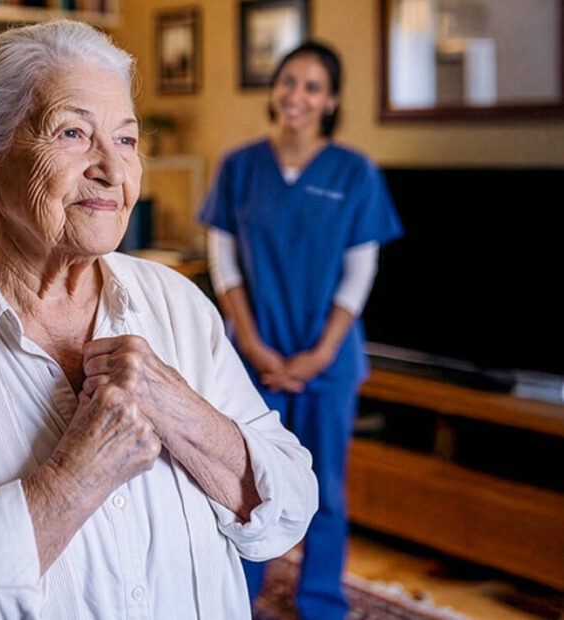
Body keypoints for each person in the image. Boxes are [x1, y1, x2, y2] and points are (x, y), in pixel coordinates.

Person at [0, 20, 318, 619]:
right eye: (73, 133)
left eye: (127, 140)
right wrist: (72, 480)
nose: (114, 170)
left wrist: (180, 408)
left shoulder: (178, 302)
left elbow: (286, 513)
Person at [198, 41, 403, 620]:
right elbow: (226, 265)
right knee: (244, 485)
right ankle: (237, 598)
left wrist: (321, 353)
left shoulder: (354, 172)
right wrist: (255, 344)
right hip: (251, 359)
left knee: (327, 491)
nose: (297, 95)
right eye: (289, 81)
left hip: (328, 363)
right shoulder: (239, 167)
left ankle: (320, 603)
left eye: (313, 87)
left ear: (331, 100)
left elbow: (361, 271)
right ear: (275, 88)